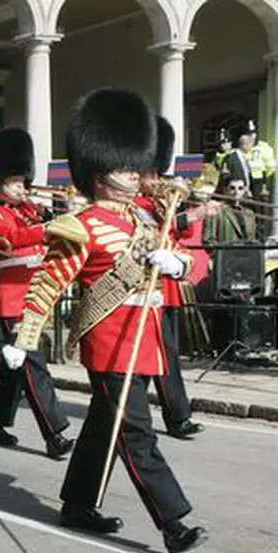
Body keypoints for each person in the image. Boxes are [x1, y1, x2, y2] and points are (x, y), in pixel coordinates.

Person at [10, 87, 206, 553]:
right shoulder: (81, 225)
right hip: (111, 340)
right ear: (100, 174)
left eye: (135, 165)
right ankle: (173, 521)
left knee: (104, 425)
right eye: (125, 167)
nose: (135, 174)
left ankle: (78, 503)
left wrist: (176, 264)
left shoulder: (144, 220)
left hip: (145, 341)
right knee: (136, 434)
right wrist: (25, 338)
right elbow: (48, 282)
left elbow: (185, 260)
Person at [0, 128, 74, 460]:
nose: (23, 187)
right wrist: (46, 227)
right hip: (12, 300)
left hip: (33, 297)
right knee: (33, 365)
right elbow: (12, 240)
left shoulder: (27, 212)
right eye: (15, 182)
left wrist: (63, 211)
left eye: (22, 181)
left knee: (14, 370)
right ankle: (55, 433)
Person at [137, 116, 204, 440]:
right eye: (149, 173)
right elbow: (157, 234)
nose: (154, 178)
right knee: (156, 356)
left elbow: (179, 234)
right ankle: (175, 416)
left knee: (167, 354)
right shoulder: (134, 205)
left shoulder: (154, 201)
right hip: (144, 290)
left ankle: (177, 415)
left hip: (166, 287)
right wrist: (188, 214)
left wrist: (179, 206)